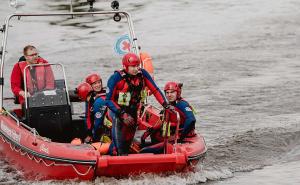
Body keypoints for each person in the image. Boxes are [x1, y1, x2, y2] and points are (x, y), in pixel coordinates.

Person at [106, 52, 168, 156]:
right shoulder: (115, 78)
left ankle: (126, 157)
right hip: (117, 112)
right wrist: (123, 114)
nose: (135, 69)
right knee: (120, 146)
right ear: (125, 66)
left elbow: (155, 90)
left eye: (137, 66)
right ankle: (116, 156)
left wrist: (165, 104)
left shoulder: (142, 74)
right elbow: (108, 100)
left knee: (127, 142)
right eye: (132, 67)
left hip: (133, 111)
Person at [140, 82, 196, 154]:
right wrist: (149, 131)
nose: (169, 95)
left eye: (172, 92)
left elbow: (191, 120)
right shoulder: (168, 106)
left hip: (176, 139)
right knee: (142, 146)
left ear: (177, 93)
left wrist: (180, 138)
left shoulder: (181, 104)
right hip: (167, 138)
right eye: (167, 93)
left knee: (143, 151)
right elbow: (163, 122)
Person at [77, 78, 109, 143]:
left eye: (99, 82)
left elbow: (98, 123)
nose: (98, 85)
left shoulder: (98, 102)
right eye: (95, 83)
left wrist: (94, 138)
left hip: (107, 131)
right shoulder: (95, 99)